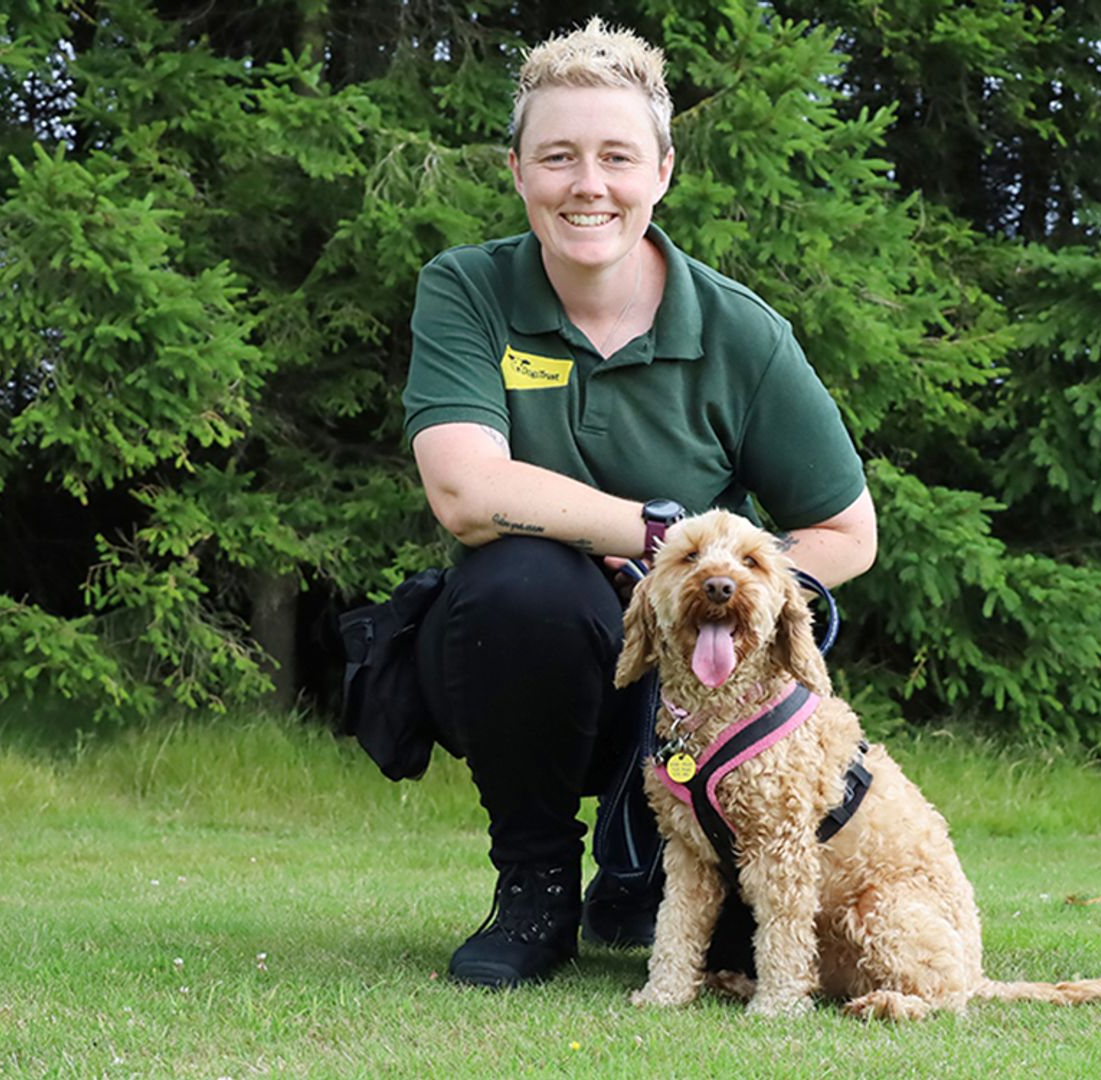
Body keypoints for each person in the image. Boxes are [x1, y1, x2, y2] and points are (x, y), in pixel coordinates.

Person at [404, 18, 877, 989]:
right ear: (518, 170)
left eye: (617, 156)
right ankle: (536, 891)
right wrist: (666, 543)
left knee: (742, 945)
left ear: (662, 170)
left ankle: (664, 873)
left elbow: (849, 533)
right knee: (519, 580)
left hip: (699, 685)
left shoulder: (744, 333)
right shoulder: (467, 289)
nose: (589, 184)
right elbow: (463, 490)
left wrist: (731, 588)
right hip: (521, 657)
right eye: (559, 157)